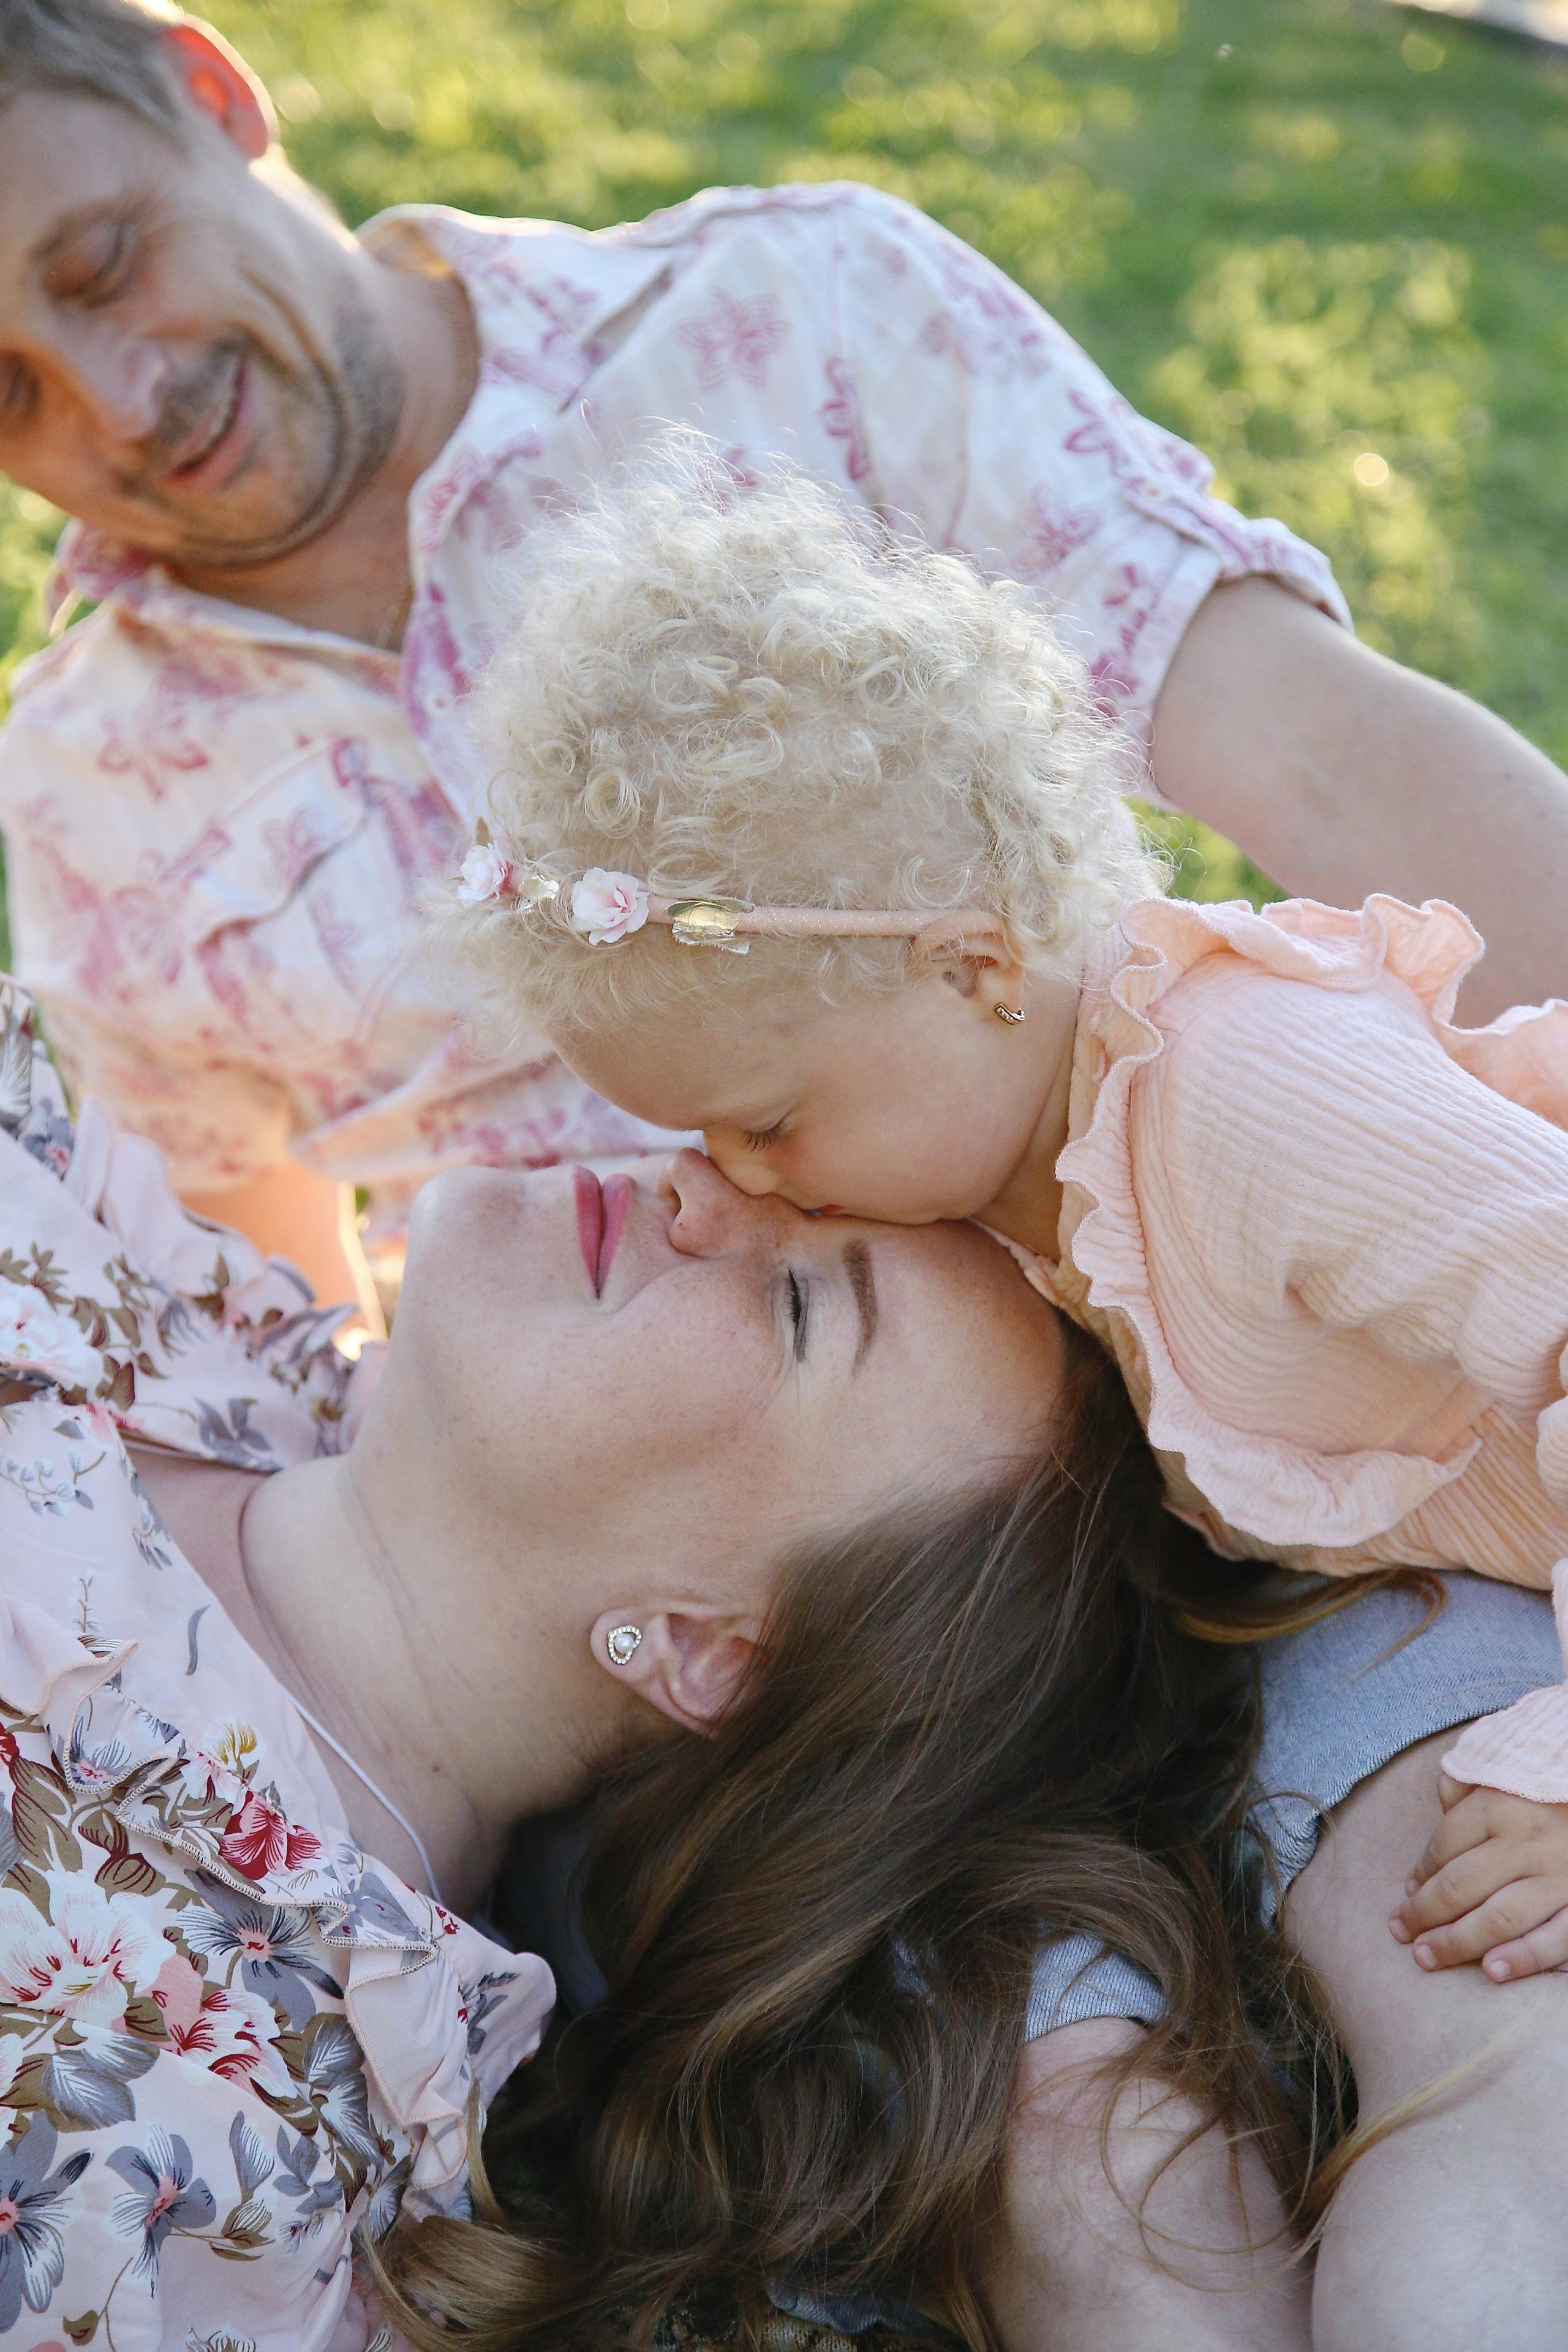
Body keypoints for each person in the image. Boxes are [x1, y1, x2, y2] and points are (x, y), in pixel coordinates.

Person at [1, 974, 1564, 2350]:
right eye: (788, 1186)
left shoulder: (194, 2099)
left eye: (802, 1301)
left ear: (703, 1652)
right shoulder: (138, 1261)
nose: (706, 1187)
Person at [3, 3, 1568, 1313]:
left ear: (211, 90)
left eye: (103, 264)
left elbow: (1324, 761)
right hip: (658, 1590)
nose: (119, 404)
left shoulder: (800, 313)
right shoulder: (81, 783)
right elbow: (255, 1283)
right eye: (9, 397)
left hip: (1156, 1332)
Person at [440, 450, 1568, 1995]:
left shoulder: (1251, 1104)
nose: (740, 1185)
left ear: (974, 969)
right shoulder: (1012, 1168)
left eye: (766, 1121)